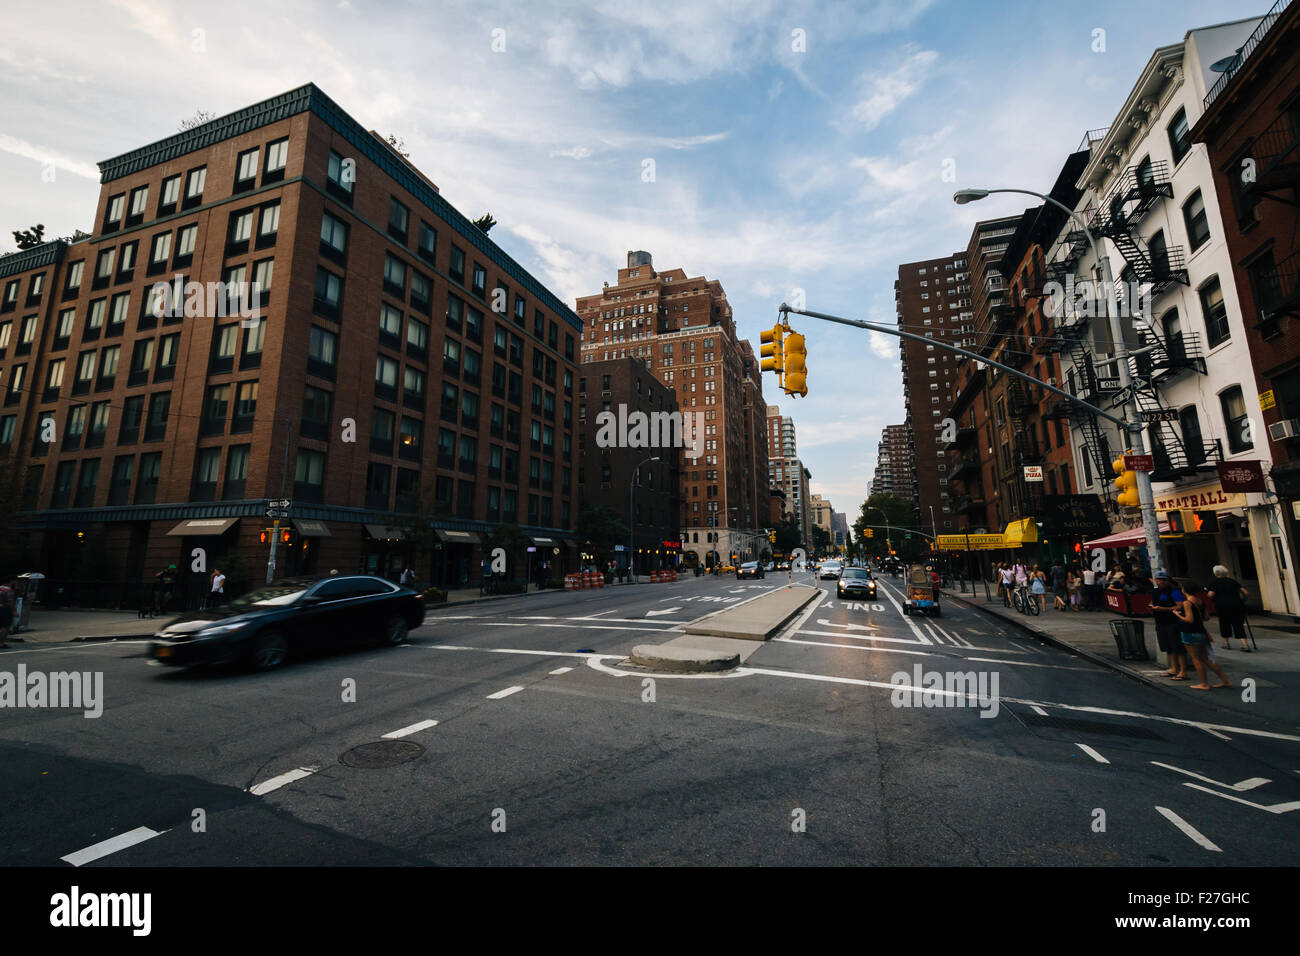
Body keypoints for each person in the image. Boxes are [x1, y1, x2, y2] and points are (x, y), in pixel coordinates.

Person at [1172, 582, 1233, 690]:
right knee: (1205, 659)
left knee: (1196, 659)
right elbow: (1206, 618)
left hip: (1190, 632)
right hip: (1201, 632)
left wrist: (1178, 615)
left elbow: (1189, 620)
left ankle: (1204, 683)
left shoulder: (1187, 603)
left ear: (1184, 590)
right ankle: (1225, 680)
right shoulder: (1200, 601)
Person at [1149, 571, 1188, 680]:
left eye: (1163, 579)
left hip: (1173, 622)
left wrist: (1164, 609)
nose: (1160, 581)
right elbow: (1152, 602)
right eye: (1158, 579)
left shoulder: (1174, 591)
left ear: (1167, 580)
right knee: (1168, 647)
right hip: (1160, 622)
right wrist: (1151, 607)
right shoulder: (1155, 591)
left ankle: (1183, 671)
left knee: (1178, 647)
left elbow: (1180, 606)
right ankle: (1174, 668)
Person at [1207, 564, 1250, 651]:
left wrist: (1210, 599)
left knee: (1224, 623)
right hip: (1237, 605)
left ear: (1215, 573)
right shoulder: (1232, 581)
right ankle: (1245, 644)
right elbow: (1245, 592)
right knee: (1238, 624)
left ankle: (1226, 643)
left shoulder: (1214, 583)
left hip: (1222, 606)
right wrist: (1243, 601)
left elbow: (1210, 594)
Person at [0, 576, 16, 648]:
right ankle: (1, 643)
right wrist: (14, 611)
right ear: (11, 581)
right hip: (5, 609)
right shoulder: (9, 590)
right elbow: (11, 602)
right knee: (5, 626)